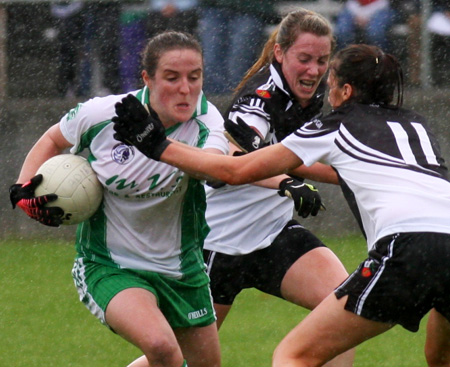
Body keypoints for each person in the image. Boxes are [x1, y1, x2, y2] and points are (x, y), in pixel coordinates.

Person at [111, 43, 450, 367]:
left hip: (408, 246)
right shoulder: (416, 126)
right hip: (443, 237)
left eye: (329, 80)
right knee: (441, 357)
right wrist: (284, 173)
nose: (323, 88)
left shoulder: (334, 124)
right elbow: (351, 169)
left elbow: (234, 170)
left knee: (293, 356)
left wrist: (156, 143)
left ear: (346, 92)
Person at [126, 9, 355, 367]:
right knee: (175, 358)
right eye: (304, 59)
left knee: (346, 310)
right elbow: (233, 158)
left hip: (273, 233)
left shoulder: (308, 95)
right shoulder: (259, 98)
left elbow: (288, 156)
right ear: (279, 53)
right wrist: (286, 183)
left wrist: (351, 172)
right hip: (221, 244)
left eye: (322, 61)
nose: (313, 70)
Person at [9, 31, 229, 367]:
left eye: (194, 77)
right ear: (147, 79)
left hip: (183, 269)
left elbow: (213, 170)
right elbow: (53, 138)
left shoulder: (206, 119)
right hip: (111, 265)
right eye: (172, 78)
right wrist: (24, 187)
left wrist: (159, 146)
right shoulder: (103, 114)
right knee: (162, 347)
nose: (185, 89)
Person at [197, 0, 280, 94]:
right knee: (211, 60)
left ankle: (236, 100)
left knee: (238, 61)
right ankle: (218, 101)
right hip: (214, 7)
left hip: (251, 9)